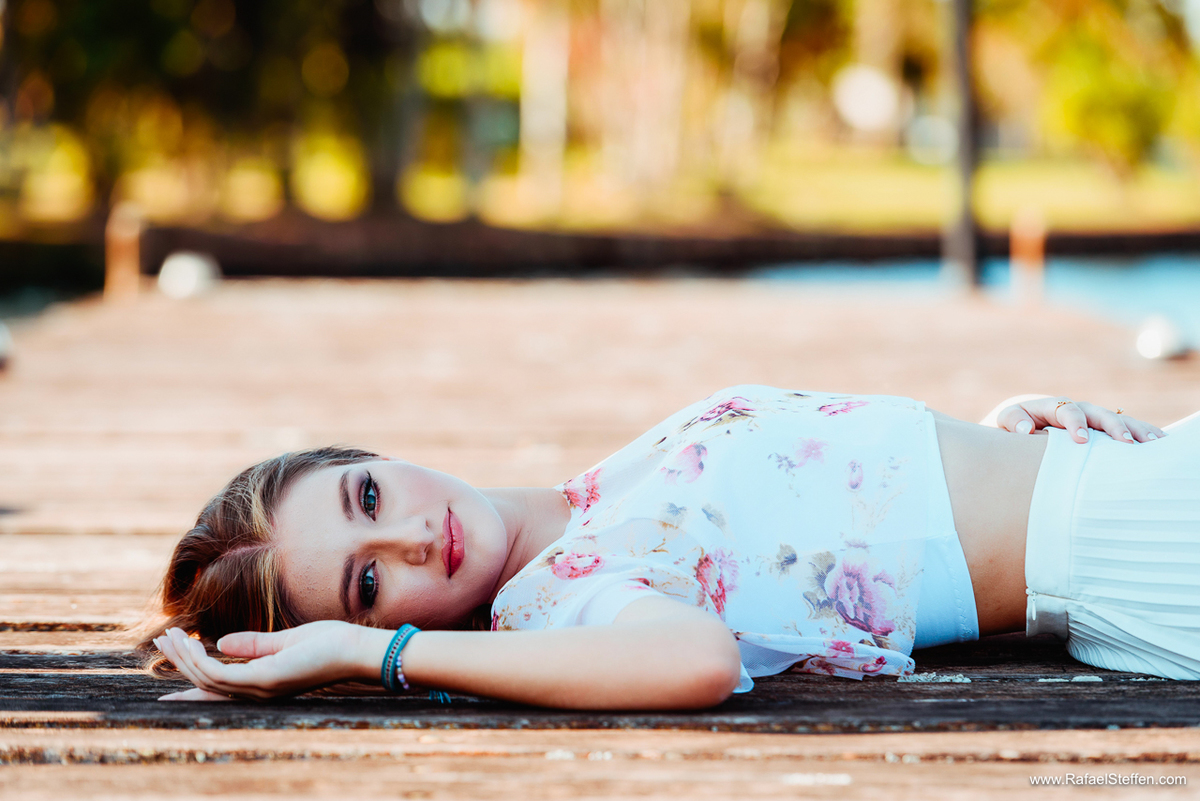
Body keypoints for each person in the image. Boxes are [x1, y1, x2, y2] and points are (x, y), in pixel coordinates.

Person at [144, 385, 1196, 710]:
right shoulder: (556, 599)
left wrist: (998, 436)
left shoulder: (593, 495)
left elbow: (824, 500)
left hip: (1124, 488)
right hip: (1136, 547)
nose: (417, 535)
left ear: (365, 451)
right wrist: (368, 660)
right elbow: (694, 660)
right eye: (370, 585)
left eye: (367, 493)